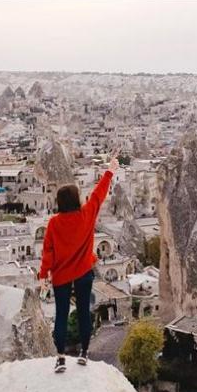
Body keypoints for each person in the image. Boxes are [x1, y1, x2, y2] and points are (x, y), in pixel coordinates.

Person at [39, 157, 119, 373]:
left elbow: (47, 251)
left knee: (61, 314)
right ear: (76, 200)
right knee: (84, 312)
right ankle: (84, 353)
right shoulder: (86, 214)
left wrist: (43, 276)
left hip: (62, 275)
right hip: (84, 272)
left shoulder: (54, 223)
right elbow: (99, 195)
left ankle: (61, 358)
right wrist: (110, 171)